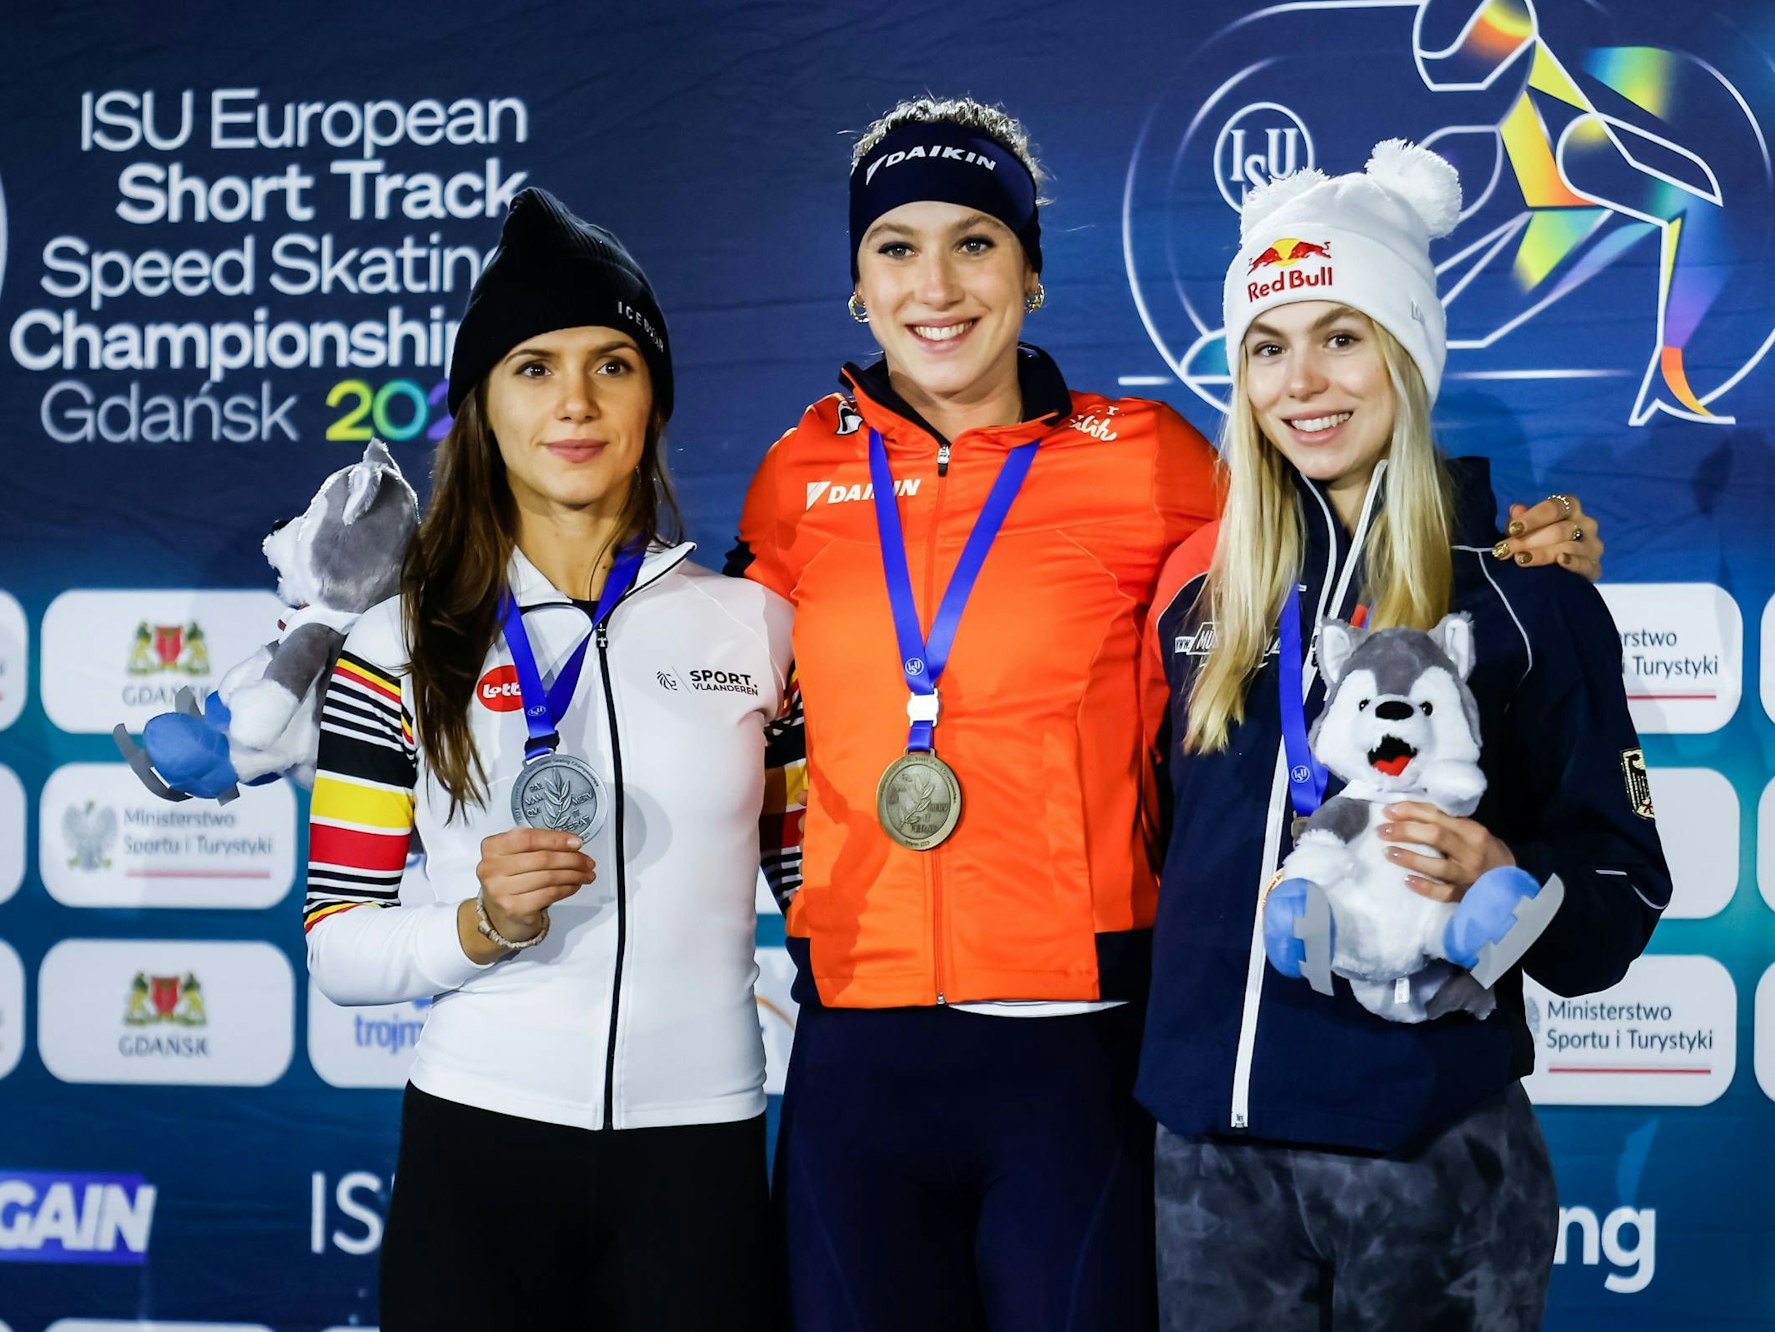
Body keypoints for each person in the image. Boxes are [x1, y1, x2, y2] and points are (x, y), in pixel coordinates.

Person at [727, 99, 1599, 1332]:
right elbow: (724, 693)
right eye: (894, 247)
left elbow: (1328, 525)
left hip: (1075, 1045)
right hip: (855, 1046)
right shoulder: (793, 472)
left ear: (1031, 273)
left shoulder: (1143, 458)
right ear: (856, 287)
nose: (936, 283)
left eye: (975, 242)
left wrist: (1503, 542)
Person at [1139, 141, 1669, 1331]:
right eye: (1267, 348)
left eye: (1341, 334)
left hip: (1426, 1163)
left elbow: (1614, 897)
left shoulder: (1527, 606)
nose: (1302, 381)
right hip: (1209, 1169)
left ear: (1407, 351)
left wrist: (1512, 883)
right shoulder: (1206, 615)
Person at [302, 188, 791, 1332]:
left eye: (611, 363)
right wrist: (473, 927)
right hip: (479, 1153)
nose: (574, 401)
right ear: (480, 403)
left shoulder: (755, 627)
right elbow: (338, 942)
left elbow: (822, 896)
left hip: (699, 1150)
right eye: (532, 367)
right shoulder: (397, 641)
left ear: (652, 396)